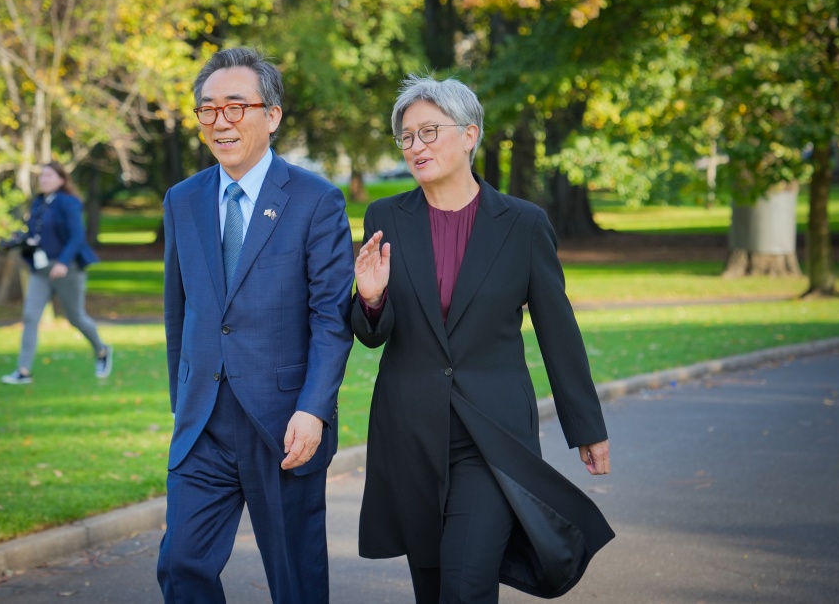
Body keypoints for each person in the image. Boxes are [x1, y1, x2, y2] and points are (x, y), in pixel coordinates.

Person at [352, 75, 614, 603]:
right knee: (432, 588)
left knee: (467, 585)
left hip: (492, 438)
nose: (416, 147)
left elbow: (557, 329)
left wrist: (586, 425)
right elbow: (371, 334)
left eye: (429, 132)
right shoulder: (385, 217)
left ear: (470, 135)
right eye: (406, 137)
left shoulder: (523, 224)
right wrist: (371, 298)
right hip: (411, 435)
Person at [156, 47, 354, 604]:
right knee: (182, 565)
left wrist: (314, 409)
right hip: (204, 427)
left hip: (284, 423)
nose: (221, 121)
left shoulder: (316, 200)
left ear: (272, 115)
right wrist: (183, 400)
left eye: (235, 106)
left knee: (296, 581)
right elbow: (180, 311)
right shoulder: (182, 200)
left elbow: (331, 320)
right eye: (208, 109)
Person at [0, 161, 112, 385]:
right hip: (40, 270)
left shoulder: (69, 202)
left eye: (49, 176)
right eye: (42, 176)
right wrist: (19, 241)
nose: (43, 179)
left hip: (67, 270)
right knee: (30, 317)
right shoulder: (39, 203)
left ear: (61, 180)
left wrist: (63, 262)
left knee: (75, 317)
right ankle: (23, 371)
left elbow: (77, 236)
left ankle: (102, 350)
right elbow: (36, 234)